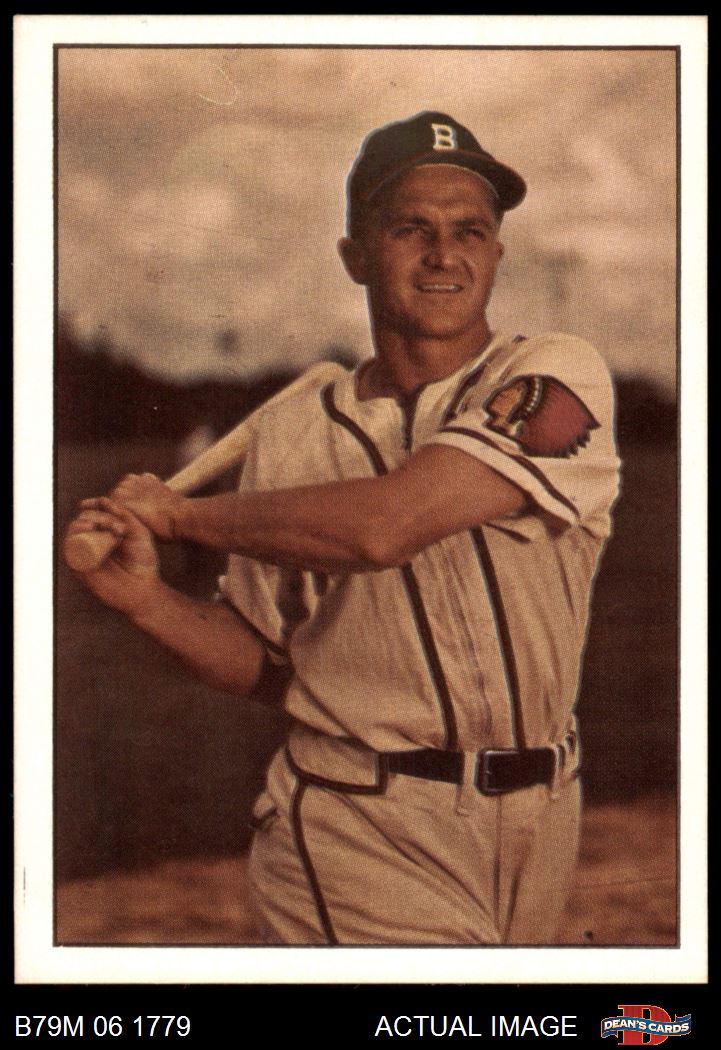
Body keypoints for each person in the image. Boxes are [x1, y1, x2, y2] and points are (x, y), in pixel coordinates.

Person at [67, 111, 620, 945]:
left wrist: (181, 516)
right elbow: (270, 663)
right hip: (362, 824)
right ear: (355, 256)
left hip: (544, 817)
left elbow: (385, 525)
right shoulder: (293, 436)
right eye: (410, 229)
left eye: (469, 231)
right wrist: (149, 602)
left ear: (496, 253)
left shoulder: (550, 375)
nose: (444, 254)